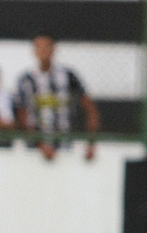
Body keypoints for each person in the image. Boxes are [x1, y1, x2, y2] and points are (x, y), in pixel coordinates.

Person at [15, 33, 100, 161]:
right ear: (34, 51)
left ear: (54, 50)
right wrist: (40, 144)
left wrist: (90, 142)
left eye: (47, 47)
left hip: (66, 148)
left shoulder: (68, 76)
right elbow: (22, 116)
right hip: (35, 152)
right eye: (40, 47)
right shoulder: (26, 80)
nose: (43, 51)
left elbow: (90, 109)